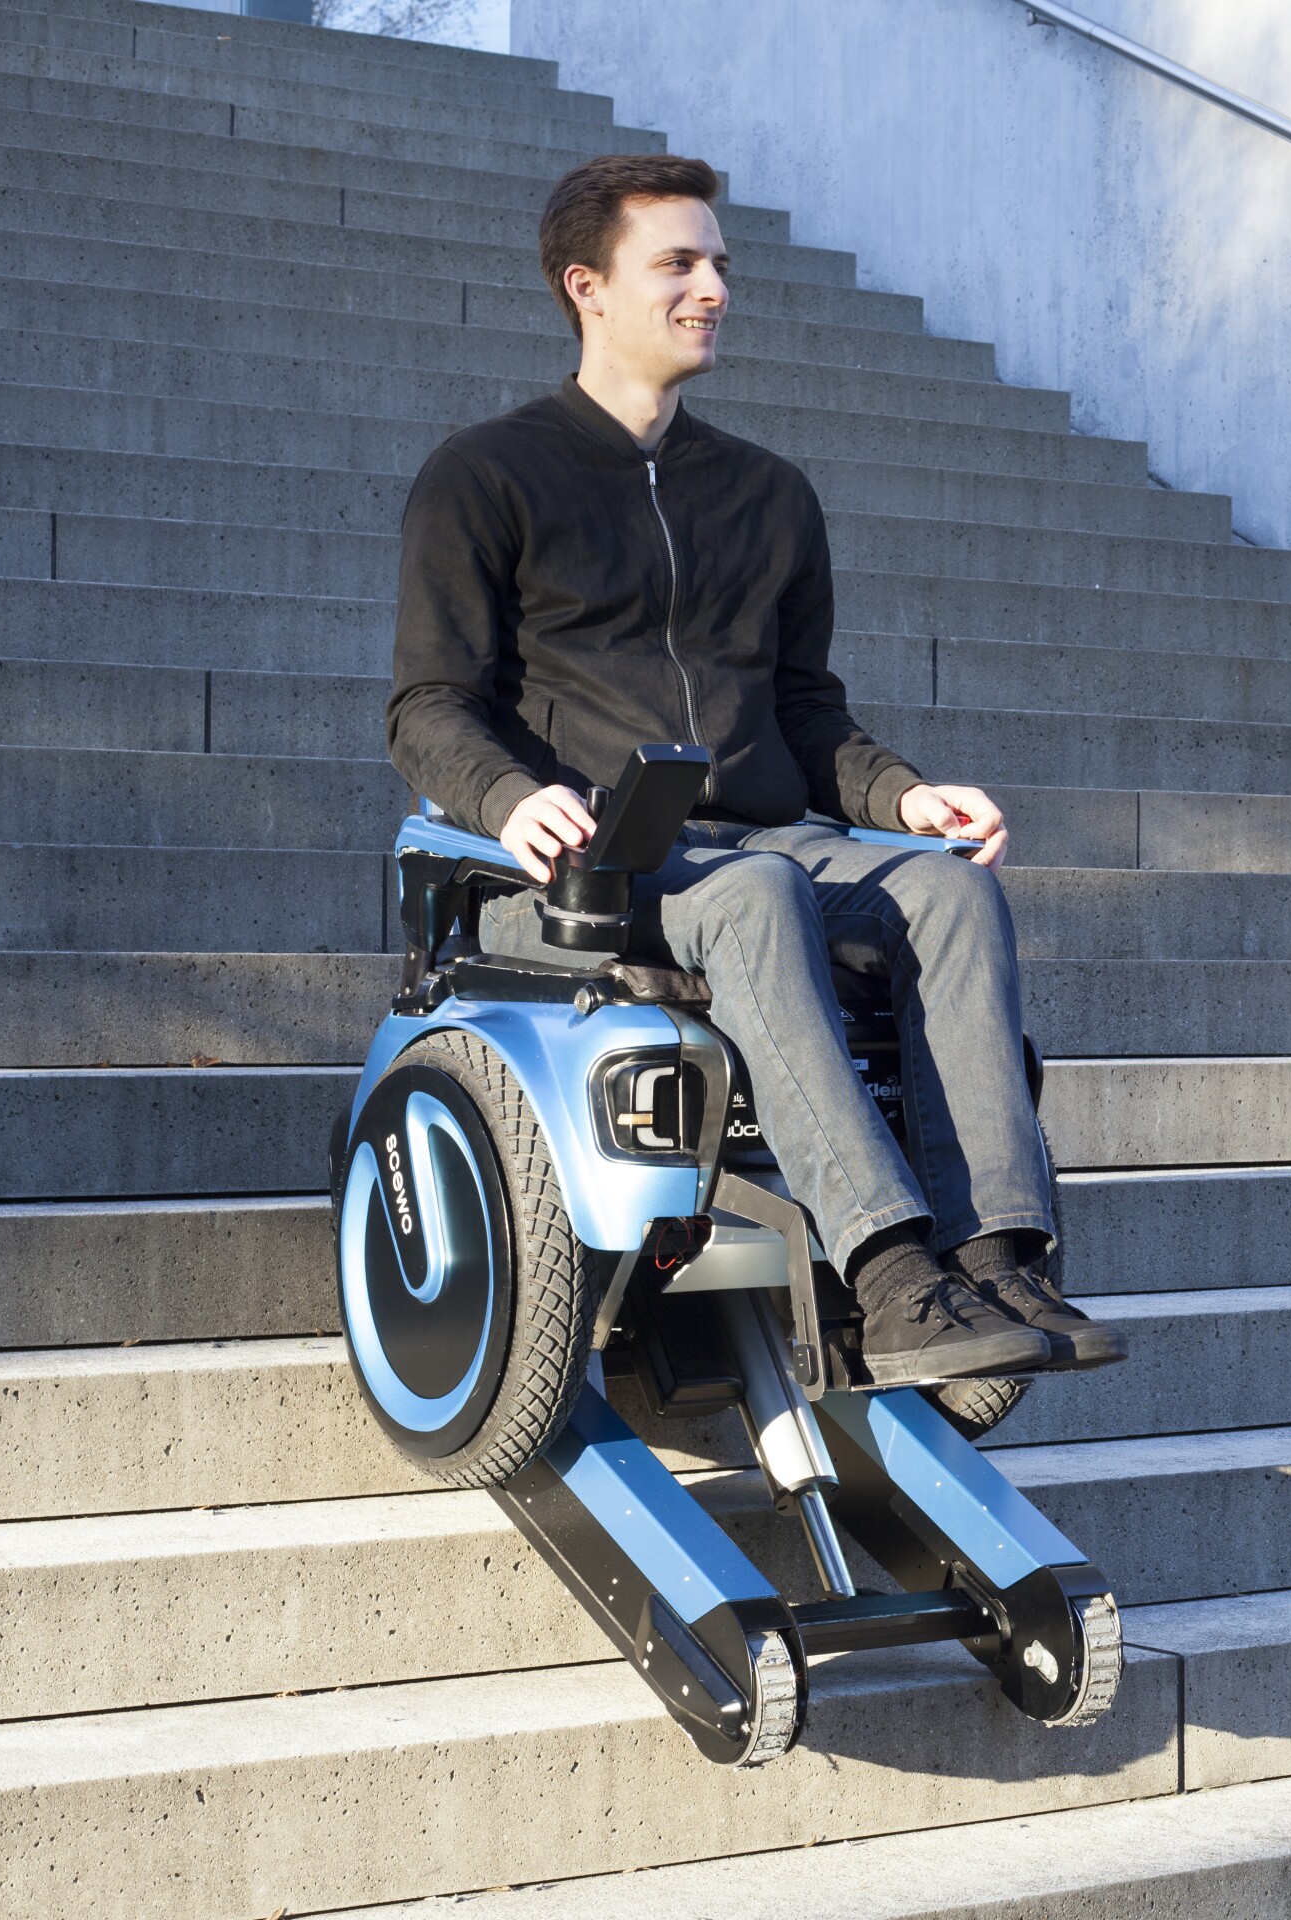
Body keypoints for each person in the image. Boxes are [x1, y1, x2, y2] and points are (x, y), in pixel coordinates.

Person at [385, 152, 1121, 1386]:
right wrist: (514, 798)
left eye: (719, 262)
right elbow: (428, 704)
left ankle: (996, 1258)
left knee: (947, 886)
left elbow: (805, 711)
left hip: (766, 837)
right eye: (677, 262)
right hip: (599, 861)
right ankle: (889, 1276)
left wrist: (903, 798)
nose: (713, 285)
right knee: (754, 895)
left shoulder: (770, 494)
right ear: (589, 288)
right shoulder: (488, 475)